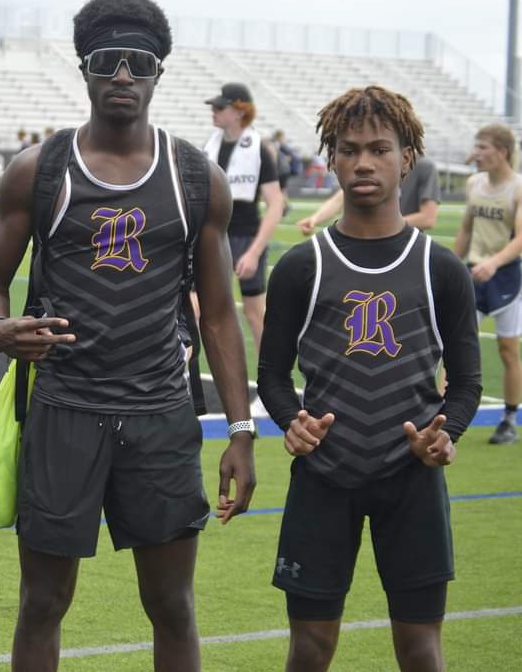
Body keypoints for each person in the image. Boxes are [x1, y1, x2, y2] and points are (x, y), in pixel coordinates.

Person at [0, 0, 256, 672]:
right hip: (64, 407)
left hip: (160, 412)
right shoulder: (38, 169)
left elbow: (218, 314)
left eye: (139, 62)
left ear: (159, 73)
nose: (123, 75)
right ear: (86, 70)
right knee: (43, 601)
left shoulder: (196, 177)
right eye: (108, 61)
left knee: (172, 604)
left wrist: (242, 432)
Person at [258, 86, 482, 671]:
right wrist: (292, 423)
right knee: (310, 647)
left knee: (420, 649)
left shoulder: (441, 268)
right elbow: (272, 376)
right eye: (349, 149)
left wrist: (445, 432)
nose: (363, 162)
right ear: (330, 159)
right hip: (323, 478)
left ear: (407, 158)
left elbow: (465, 384)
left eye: (380, 149)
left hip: (412, 481)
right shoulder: (301, 266)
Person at [203, 82, 285, 417]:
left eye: (220, 107)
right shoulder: (209, 145)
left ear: (239, 110)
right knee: (194, 309)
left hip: (244, 236)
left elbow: (276, 204)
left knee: (255, 313)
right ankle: (183, 384)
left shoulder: (260, 149)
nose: (214, 111)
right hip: (211, 236)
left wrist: (253, 252)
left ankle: (271, 388)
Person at [453, 123, 522, 444]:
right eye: (476, 146)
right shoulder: (474, 183)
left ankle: (509, 418)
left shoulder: (518, 188)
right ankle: (439, 415)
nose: (476, 153)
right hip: (473, 273)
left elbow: (520, 239)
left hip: (506, 276)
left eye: (483, 147)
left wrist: (494, 262)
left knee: (508, 350)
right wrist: (452, 266)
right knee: (451, 344)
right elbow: (466, 229)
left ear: (502, 152)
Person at [297, 155, 440, 234]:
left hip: (406, 247)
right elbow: (340, 199)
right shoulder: (378, 162)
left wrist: (378, 226)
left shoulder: (424, 167)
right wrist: (315, 219)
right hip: (371, 245)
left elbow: (427, 218)